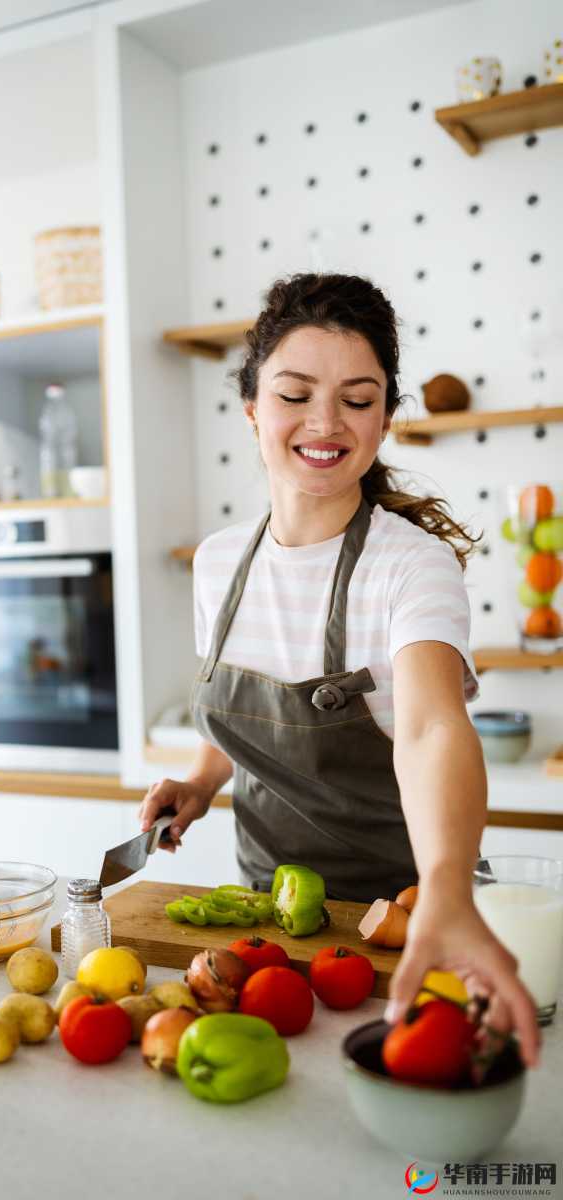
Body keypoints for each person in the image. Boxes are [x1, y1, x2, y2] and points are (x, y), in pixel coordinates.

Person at [139, 272, 540, 1067]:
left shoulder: (412, 566)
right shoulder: (221, 564)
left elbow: (429, 727)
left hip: (403, 922)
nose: (326, 422)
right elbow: (244, 723)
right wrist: (199, 782)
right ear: (252, 406)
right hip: (265, 923)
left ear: (386, 418)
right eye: (295, 394)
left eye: (358, 400)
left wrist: (450, 893)